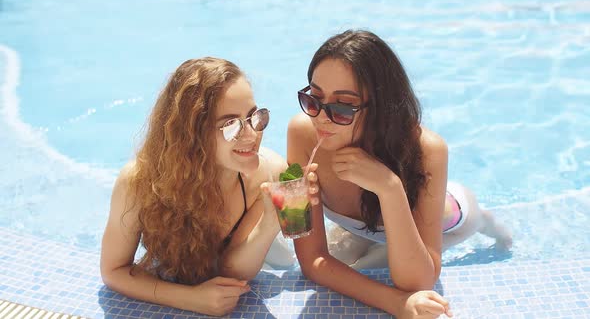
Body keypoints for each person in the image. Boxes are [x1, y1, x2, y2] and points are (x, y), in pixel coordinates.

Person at [288, 30, 512, 318]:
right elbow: (311, 260)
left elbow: (418, 282)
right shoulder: (302, 134)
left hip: (450, 218)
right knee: (351, 260)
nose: (320, 117)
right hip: (365, 227)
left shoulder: (428, 150)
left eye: (342, 107)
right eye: (314, 99)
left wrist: (389, 187)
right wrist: (395, 303)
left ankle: (488, 222)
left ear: (380, 107)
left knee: (478, 220)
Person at [100, 57, 291, 316]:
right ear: (191, 134)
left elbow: (232, 271)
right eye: (231, 124)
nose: (252, 135)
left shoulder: (269, 174)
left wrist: (269, 224)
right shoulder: (139, 183)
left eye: (253, 117)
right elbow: (113, 270)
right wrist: (188, 298)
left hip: (262, 258)